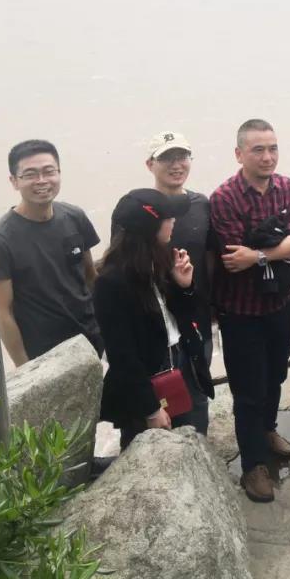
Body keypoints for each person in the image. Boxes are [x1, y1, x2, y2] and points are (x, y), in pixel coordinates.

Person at [209, 119, 290, 504]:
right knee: (248, 390)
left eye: (273, 148)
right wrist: (274, 247)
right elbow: (234, 256)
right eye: (258, 150)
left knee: (277, 374)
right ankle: (253, 465)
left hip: (280, 303)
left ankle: (267, 430)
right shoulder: (225, 197)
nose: (268, 157)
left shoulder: (286, 187)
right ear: (239, 154)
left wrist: (260, 254)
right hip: (241, 311)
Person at [94, 189, 213, 447]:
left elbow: (183, 317)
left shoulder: (163, 260)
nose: (174, 222)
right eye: (168, 218)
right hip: (147, 379)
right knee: (150, 449)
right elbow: (121, 354)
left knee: (193, 437)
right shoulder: (111, 282)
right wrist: (150, 409)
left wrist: (185, 286)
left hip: (182, 362)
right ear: (149, 226)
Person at [0, 139, 102, 365]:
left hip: (91, 339)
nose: (41, 180)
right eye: (30, 174)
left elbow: (91, 277)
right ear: (14, 181)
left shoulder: (74, 217)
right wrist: (24, 366)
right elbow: (3, 312)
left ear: (59, 173)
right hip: (44, 353)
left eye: (49, 171)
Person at [144, 131, 214, 368]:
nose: (176, 165)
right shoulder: (138, 210)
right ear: (149, 164)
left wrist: (214, 306)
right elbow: (121, 266)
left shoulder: (202, 204)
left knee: (200, 385)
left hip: (197, 317)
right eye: (166, 158)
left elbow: (210, 257)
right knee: (165, 389)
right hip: (156, 323)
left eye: (182, 157)